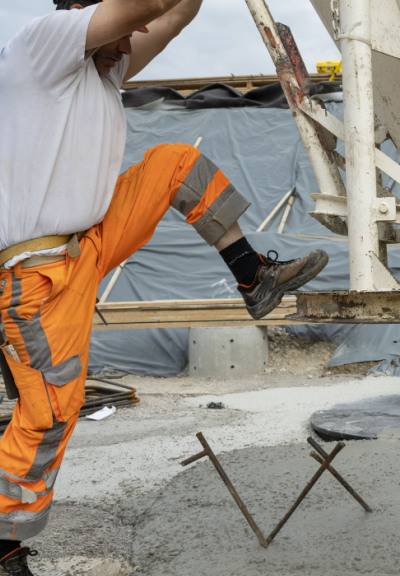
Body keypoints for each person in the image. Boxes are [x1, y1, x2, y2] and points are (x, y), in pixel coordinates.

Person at [0, 1, 329, 572]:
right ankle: (3, 543)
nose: (132, 42)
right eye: (122, 29)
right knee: (49, 412)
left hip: (89, 240)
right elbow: (151, 6)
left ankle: (253, 277)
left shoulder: (104, 69)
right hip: (36, 273)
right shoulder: (45, 43)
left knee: (175, 164)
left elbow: (172, 17)